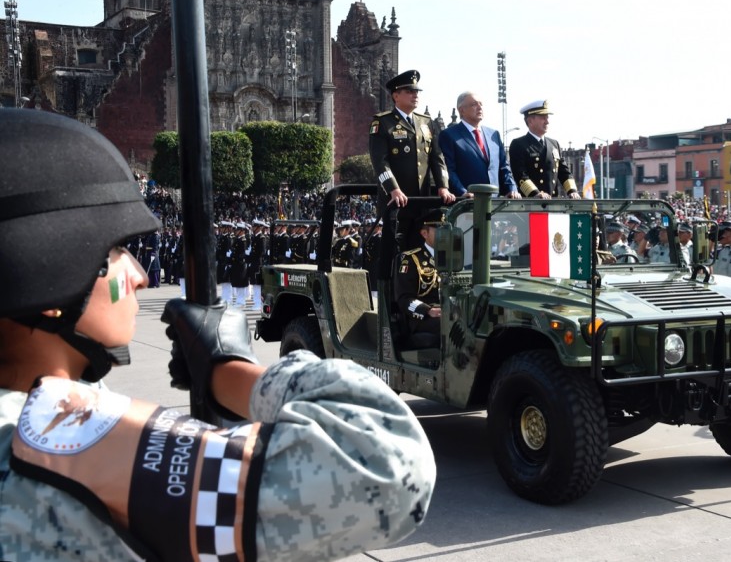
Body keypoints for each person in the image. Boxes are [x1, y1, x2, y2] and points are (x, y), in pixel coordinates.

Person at [0, 108, 436, 560]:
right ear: (47, 275)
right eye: (113, 252)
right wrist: (231, 371)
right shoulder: (54, 431)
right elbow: (386, 466)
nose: (137, 274)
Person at [369, 69, 455, 212]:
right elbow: (380, 162)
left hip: (422, 199)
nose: (415, 95)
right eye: (409, 91)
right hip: (395, 200)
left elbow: (437, 158)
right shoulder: (383, 122)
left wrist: (443, 186)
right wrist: (393, 189)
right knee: (394, 234)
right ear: (396, 96)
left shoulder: (426, 122)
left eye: (417, 91)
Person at [439, 91, 520, 199]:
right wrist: (462, 192)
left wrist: (512, 189)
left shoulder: (493, 135)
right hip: (467, 204)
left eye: (481, 104)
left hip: (496, 203)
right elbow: (449, 170)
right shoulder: (449, 135)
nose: (479, 107)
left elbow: (504, 167)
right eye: (474, 104)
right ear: (461, 110)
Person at [508, 100, 580, 199]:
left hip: (553, 203)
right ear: (530, 121)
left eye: (547, 117)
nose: (547, 121)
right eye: (543, 118)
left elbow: (564, 171)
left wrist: (572, 191)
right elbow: (520, 175)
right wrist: (535, 193)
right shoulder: (519, 144)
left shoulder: (554, 144)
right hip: (531, 204)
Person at [394, 209, 444, 345]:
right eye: (439, 229)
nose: (445, 234)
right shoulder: (411, 259)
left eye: (447, 229)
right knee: (453, 328)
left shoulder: (455, 257)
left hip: (452, 312)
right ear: (424, 233)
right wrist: (428, 310)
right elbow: (404, 299)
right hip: (424, 318)